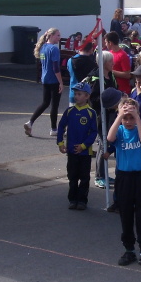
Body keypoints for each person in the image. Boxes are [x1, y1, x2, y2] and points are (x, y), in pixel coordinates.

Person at [109, 97, 141, 268]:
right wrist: (119, 116)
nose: (128, 121)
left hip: (140, 177)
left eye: (131, 118)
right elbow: (110, 138)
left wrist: (137, 117)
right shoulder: (119, 130)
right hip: (124, 178)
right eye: (125, 118)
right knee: (126, 214)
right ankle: (129, 249)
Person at [56, 81, 98, 211]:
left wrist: (84, 146)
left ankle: (82, 200)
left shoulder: (91, 113)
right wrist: (60, 143)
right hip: (72, 151)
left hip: (85, 153)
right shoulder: (69, 111)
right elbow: (61, 126)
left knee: (84, 178)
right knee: (72, 176)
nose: (76, 96)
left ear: (87, 96)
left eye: (79, 94)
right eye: (75, 94)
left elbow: (94, 132)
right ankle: (72, 199)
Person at [24, 28, 64, 137]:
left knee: (45, 102)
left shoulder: (43, 47)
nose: (59, 38)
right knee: (54, 105)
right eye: (57, 35)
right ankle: (53, 129)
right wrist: (61, 82)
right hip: (53, 79)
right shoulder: (54, 49)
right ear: (51, 36)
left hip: (45, 79)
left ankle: (30, 122)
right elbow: (56, 68)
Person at [105, 31, 133, 95]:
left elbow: (127, 75)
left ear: (110, 43)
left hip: (122, 91)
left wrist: (111, 71)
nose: (105, 44)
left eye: (106, 42)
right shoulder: (109, 53)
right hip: (113, 89)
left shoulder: (123, 55)